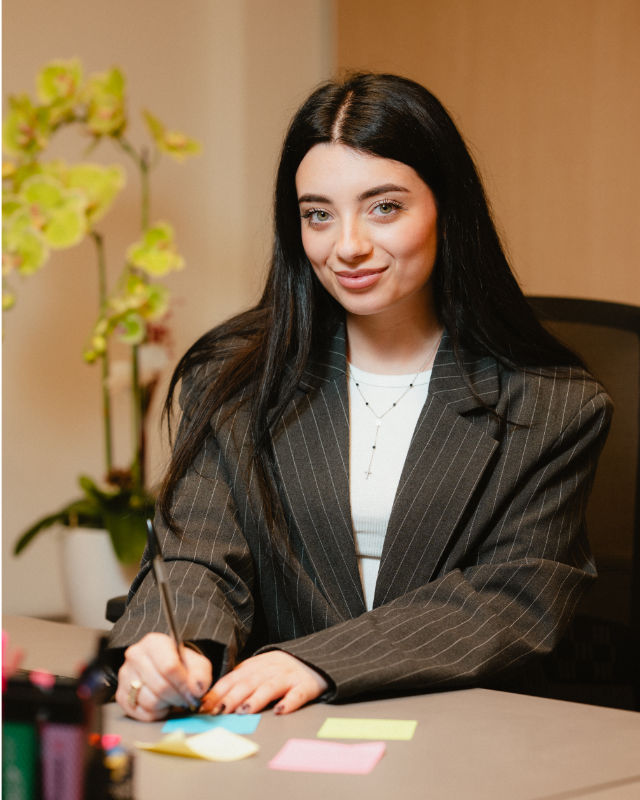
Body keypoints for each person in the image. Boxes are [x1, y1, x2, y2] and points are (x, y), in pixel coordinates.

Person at [109, 72, 612, 721]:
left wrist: (320, 659)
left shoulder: (554, 406)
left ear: (446, 210)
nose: (347, 245)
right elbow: (195, 554)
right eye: (318, 214)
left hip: (464, 733)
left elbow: (512, 598)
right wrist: (173, 647)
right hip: (273, 729)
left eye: (384, 207)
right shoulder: (232, 377)